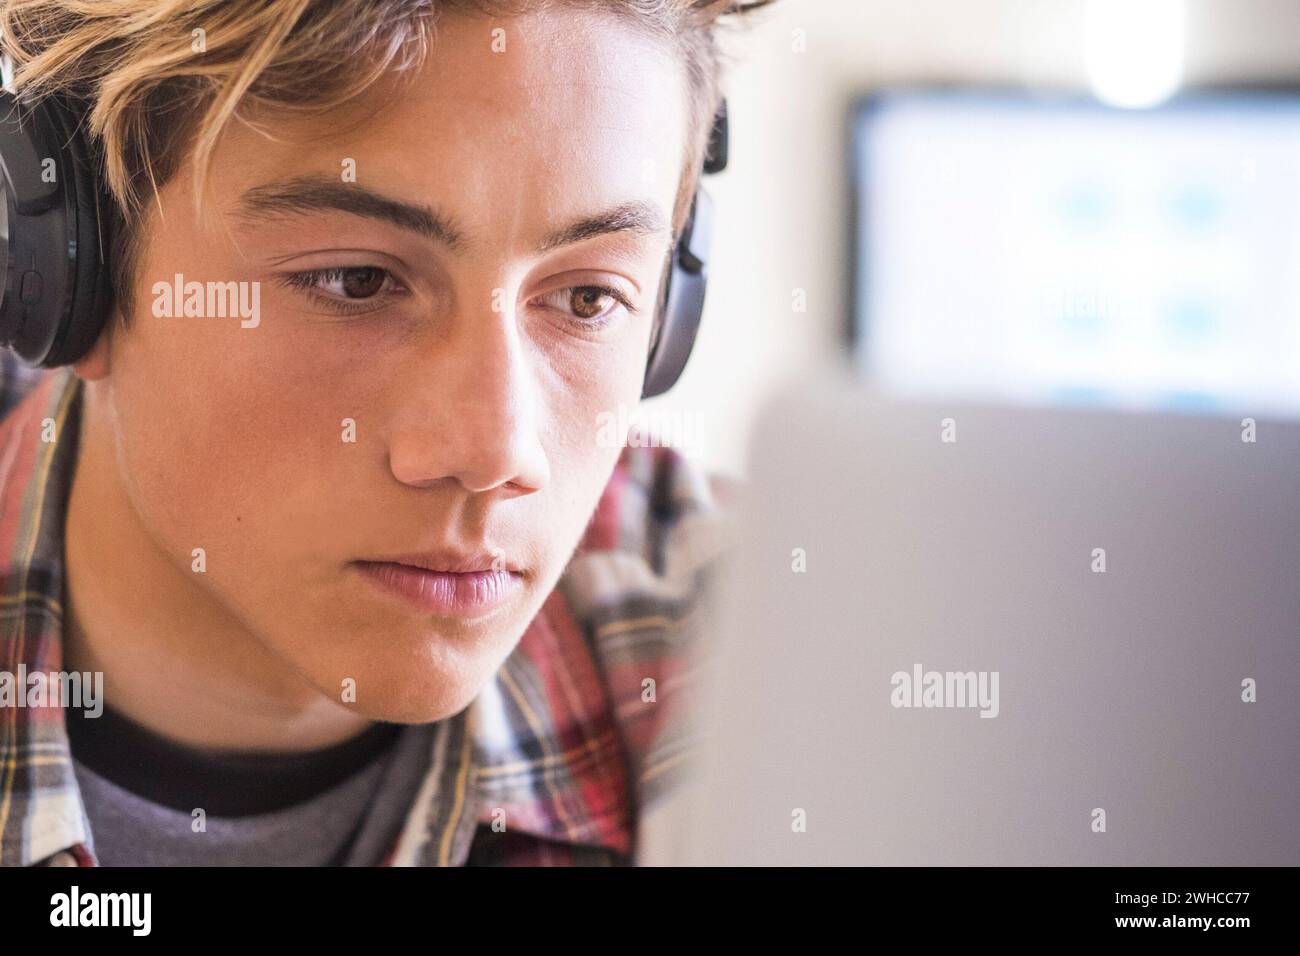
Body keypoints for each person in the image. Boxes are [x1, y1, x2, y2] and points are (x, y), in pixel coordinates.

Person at [0, 0, 770, 867]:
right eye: (357, 281)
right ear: (68, 277)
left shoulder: (764, 640)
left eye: (588, 298)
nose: (495, 457)